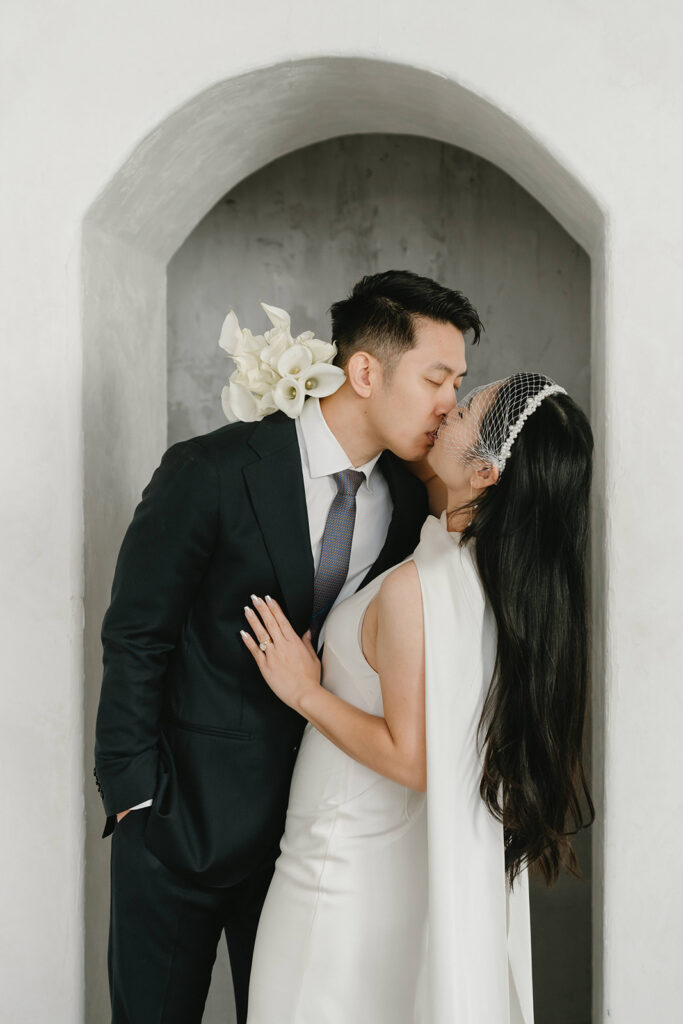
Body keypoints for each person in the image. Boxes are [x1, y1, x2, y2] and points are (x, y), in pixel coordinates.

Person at [93, 269, 483, 1023]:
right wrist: (133, 800)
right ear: (365, 371)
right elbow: (137, 634)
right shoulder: (210, 470)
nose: (449, 402)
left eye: (458, 383)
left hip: (311, 850)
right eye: (437, 377)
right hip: (179, 828)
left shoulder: (408, 503)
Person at [242, 372, 595, 1024]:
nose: (442, 412)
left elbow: (414, 759)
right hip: (384, 862)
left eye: (460, 411)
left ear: (485, 475)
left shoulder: (421, 589)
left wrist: (302, 691)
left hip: (339, 871)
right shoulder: (491, 583)